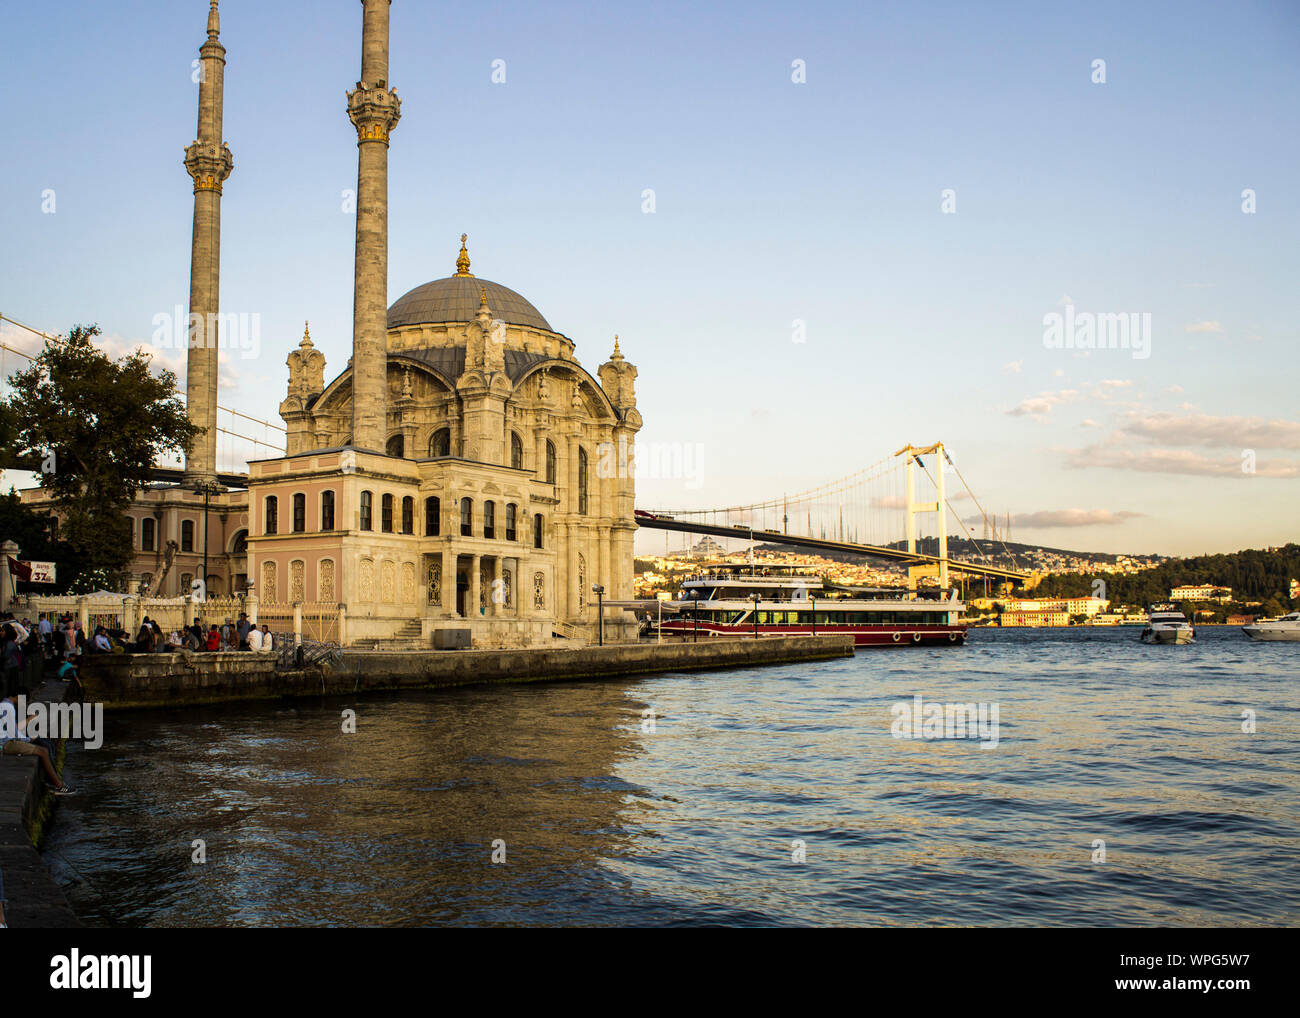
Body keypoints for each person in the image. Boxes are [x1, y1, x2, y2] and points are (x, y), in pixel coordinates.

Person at [0, 688, 75, 795]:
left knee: (44, 744)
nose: (24, 704)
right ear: (18, 697)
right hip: (5, 743)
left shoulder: (4, 705)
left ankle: (53, 779)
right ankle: (58, 785)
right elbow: (13, 733)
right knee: (43, 750)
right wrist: (28, 739)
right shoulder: (9, 708)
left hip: (6, 739)